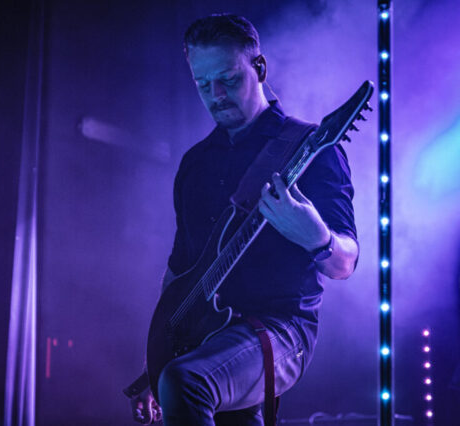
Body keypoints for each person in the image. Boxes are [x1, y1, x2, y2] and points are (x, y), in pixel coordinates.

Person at [130, 13, 359, 426]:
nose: (216, 95)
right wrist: (156, 363)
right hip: (204, 334)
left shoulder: (309, 148)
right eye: (203, 84)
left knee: (186, 382)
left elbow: (344, 264)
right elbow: (180, 271)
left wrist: (315, 236)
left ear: (260, 68)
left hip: (281, 329)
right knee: (180, 379)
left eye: (229, 79)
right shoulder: (195, 165)